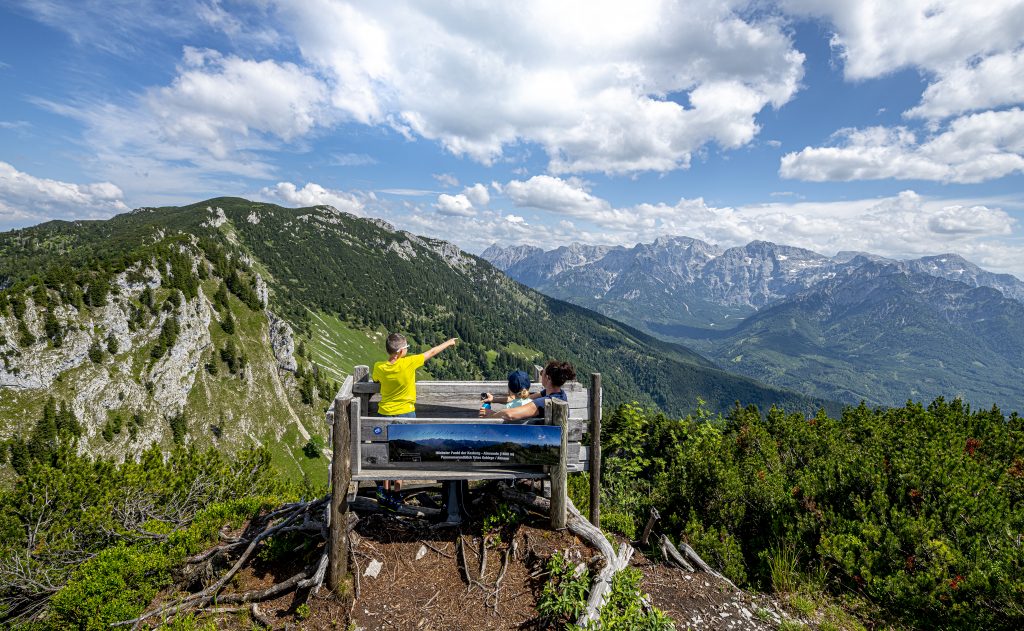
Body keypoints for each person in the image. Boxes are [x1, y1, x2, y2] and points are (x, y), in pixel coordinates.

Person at [372, 333, 457, 510]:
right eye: (406, 348)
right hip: (405, 416)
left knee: (387, 455)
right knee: (401, 457)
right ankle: (397, 494)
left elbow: (376, 381)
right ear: (401, 351)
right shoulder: (409, 363)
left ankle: (385, 492)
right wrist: (448, 342)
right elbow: (432, 352)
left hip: (384, 414)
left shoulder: (379, 367)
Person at [480, 360, 576, 422]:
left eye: (542, 372)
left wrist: (492, 415)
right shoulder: (559, 394)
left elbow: (509, 415)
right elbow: (521, 398)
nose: (541, 374)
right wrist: (494, 399)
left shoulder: (543, 402)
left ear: (548, 378)